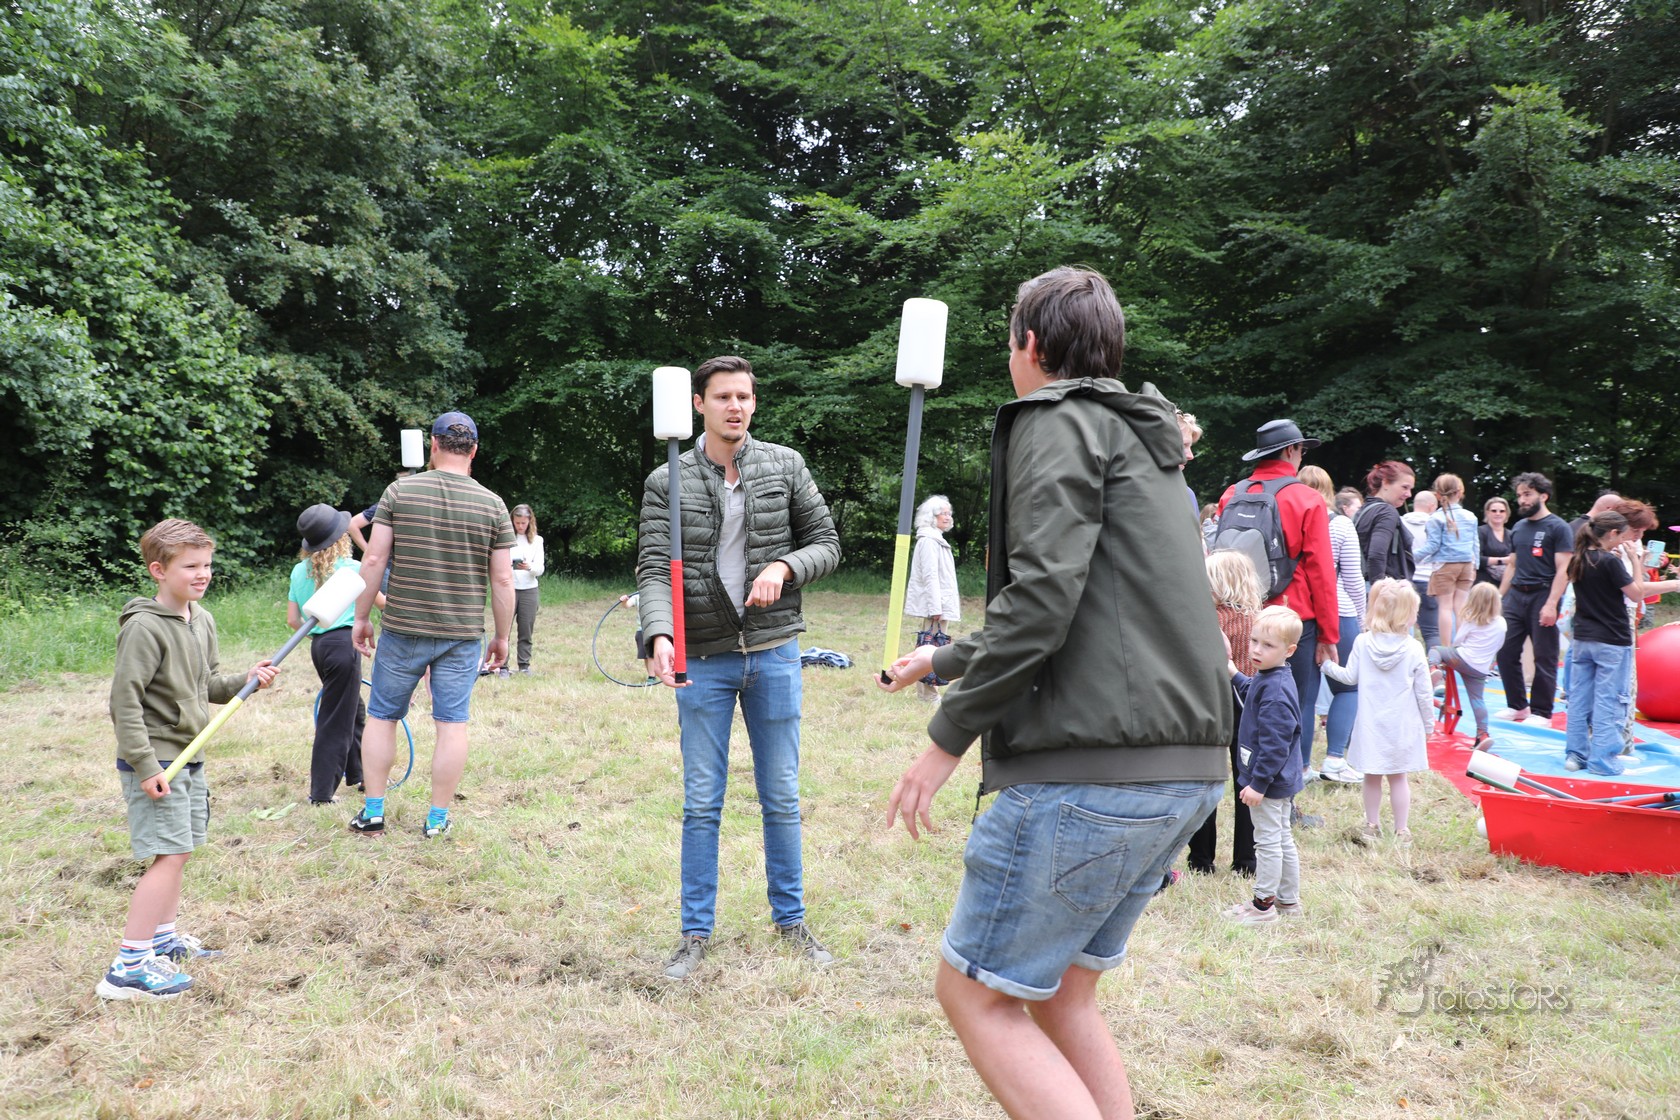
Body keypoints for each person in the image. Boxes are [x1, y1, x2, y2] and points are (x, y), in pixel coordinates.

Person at [876, 267, 1227, 1119]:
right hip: (1184, 768)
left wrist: (945, 739)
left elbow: (1040, 601)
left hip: (1092, 772)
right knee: (1065, 992)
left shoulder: (1057, 420)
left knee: (976, 994)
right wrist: (946, 660)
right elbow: (1095, 605)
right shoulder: (1140, 436)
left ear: (1028, 344)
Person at [636, 355, 842, 981]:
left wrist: (784, 566)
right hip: (702, 657)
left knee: (781, 795)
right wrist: (659, 632)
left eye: (745, 397)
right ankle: (694, 934)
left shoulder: (785, 465)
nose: (736, 407)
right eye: (723, 396)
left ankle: (792, 921)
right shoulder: (666, 480)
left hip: (774, 653)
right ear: (699, 404)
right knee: (702, 803)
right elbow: (653, 568)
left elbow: (827, 544)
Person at [99, 520, 280, 1000]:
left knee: (179, 851)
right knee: (170, 855)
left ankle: (163, 941)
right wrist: (146, 766)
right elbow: (124, 703)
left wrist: (248, 679)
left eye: (207, 564)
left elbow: (208, 684)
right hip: (159, 760)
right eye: (190, 566)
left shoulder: (202, 619)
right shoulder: (143, 628)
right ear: (159, 571)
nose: (203, 574)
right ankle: (127, 968)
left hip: (190, 752)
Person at [350, 411, 515, 839]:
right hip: (462, 635)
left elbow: (374, 558)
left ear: (434, 446)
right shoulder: (493, 504)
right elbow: (502, 579)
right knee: (452, 723)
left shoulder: (399, 492)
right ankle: (437, 820)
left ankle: (373, 812)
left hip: (403, 627)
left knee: (383, 717)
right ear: (474, 451)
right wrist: (502, 636)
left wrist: (362, 616)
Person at [1215, 419, 1339, 801]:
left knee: (1246, 706)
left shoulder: (1231, 494)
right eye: (1301, 450)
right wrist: (1329, 634)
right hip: (1290, 619)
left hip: (1239, 616)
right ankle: (1282, 800)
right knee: (1291, 707)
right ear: (1290, 450)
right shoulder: (1306, 498)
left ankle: (1246, 790)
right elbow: (1321, 571)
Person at [1562, 512, 1680, 775]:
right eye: (1624, 534)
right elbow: (1636, 594)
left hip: (1583, 638)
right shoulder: (1610, 561)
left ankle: (1575, 755)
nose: (1627, 540)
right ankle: (1602, 761)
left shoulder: (1579, 558)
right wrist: (1637, 562)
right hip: (1611, 640)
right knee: (1610, 700)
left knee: (1580, 698)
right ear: (1612, 533)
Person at [1321, 580, 1434, 841]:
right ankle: (1402, 830)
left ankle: (1371, 825)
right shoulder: (1414, 648)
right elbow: (1424, 693)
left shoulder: (1362, 642)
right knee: (1398, 778)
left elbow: (1349, 677)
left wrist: (1326, 666)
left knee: (1371, 778)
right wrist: (1429, 725)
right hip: (1401, 726)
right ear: (1407, 615)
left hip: (1370, 726)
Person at [1223, 605, 1306, 924]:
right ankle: (1288, 901)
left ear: (1289, 650)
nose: (1257, 650)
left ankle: (1263, 906)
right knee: (1281, 837)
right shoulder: (1271, 677)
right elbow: (1251, 691)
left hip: (1269, 783)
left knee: (1268, 842)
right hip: (1278, 780)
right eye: (1254, 641)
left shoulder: (1276, 693)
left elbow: (1275, 746)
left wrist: (1257, 784)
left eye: (1268, 645)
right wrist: (1233, 671)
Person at [288, 504, 376, 804]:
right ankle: (322, 793)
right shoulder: (351, 569)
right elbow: (381, 602)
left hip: (319, 646)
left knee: (353, 711)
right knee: (335, 719)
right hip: (343, 646)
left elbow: (293, 620)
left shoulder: (299, 571)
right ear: (341, 538)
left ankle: (361, 774)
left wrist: (320, 635)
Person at [1188, 550, 1264, 877]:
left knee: (1205, 783)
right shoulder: (1260, 620)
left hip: (1211, 706)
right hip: (1251, 706)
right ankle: (1247, 861)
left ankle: (1200, 860)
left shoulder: (1209, 621)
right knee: (1247, 785)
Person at [1495, 472, 1573, 723]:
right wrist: (1498, 597)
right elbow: (1513, 564)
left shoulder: (1558, 527)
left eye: (1527, 494)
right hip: (1516, 595)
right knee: (1505, 651)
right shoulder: (1518, 527)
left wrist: (1551, 604)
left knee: (1544, 655)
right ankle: (1517, 705)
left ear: (1543, 496)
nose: (1522, 500)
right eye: (1519, 495)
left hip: (1543, 594)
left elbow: (1564, 569)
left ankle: (1541, 711)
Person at [1427, 583, 1506, 751]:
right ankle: (1483, 733)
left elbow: (1458, 641)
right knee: (1477, 700)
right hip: (1480, 669)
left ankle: (1434, 669)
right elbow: (1499, 645)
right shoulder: (1501, 623)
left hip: (1462, 659)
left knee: (1436, 650)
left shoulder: (1472, 620)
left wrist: (1451, 654)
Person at [902, 494, 961, 703]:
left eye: (949, 513)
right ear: (931, 516)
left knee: (934, 648)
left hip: (940, 604)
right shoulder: (929, 540)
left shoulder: (936, 539)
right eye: (942, 513)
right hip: (936, 606)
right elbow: (930, 576)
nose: (948, 516)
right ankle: (927, 696)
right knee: (930, 649)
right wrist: (936, 607)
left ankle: (928, 693)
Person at [1416, 474, 1479, 644]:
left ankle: (1446, 648)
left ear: (1437, 495)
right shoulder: (1471, 516)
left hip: (1445, 566)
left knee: (1445, 607)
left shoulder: (1436, 518)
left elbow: (1432, 546)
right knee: (1461, 607)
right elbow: (1475, 544)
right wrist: (1476, 565)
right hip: (1467, 564)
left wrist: (1412, 557)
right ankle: (1461, 646)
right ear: (1460, 492)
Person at [1354, 461, 1415, 586]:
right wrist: (1379, 590)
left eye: (1410, 489)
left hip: (1360, 585)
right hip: (1382, 588)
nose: (1409, 494)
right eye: (1405, 487)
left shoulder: (1364, 510)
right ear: (1385, 483)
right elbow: (1376, 555)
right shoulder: (1387, 512)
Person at [509, 503, 545, 675]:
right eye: (517, 523)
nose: (520, 526)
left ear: (530, 521)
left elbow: (540, 568)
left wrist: (529, 566)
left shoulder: (537, 541)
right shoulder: (506, 539)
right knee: (504, 630)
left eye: (523, 523)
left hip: (529, 589)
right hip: (508, 588)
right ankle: (503, 666)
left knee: (526, 630)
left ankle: (524, 665)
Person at [1402, 490, 1441, 649]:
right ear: (1432, 506)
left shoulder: (1400, 522)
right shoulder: (1437, 524)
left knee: (1402, 628)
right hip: (1428, 580)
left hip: (1406, 580)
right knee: (1432, 632)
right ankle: (1434, 662)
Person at [1477, 495, 1514, 587]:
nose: (1498, 514)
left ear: (1507, 514)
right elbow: (1477, 559)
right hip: (1484, 583)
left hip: (1508, 583)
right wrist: (1503, 560)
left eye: (1502, 511)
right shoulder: (1479, 532)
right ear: (1487, 513)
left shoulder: (1512, 534)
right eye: (1494, 511)